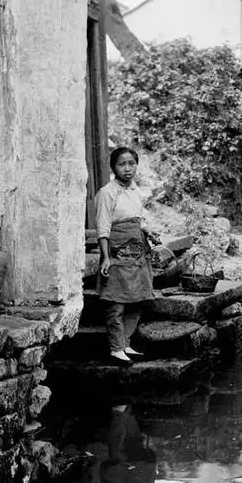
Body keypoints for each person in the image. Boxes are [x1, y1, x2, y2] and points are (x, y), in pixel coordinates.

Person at [95, 146, 155, 366]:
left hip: (137, 251)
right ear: (113, 167)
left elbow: (137, 218)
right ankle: (115, 348)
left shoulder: (135, 191)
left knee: (137, 301)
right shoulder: (106, 193)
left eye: (131, 163)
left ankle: (126, 343)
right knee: (116, 302)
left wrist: (148, 232)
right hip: (117, 252)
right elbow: (102, 227)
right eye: (122, 164)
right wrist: (105, 257)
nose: (128, 169)